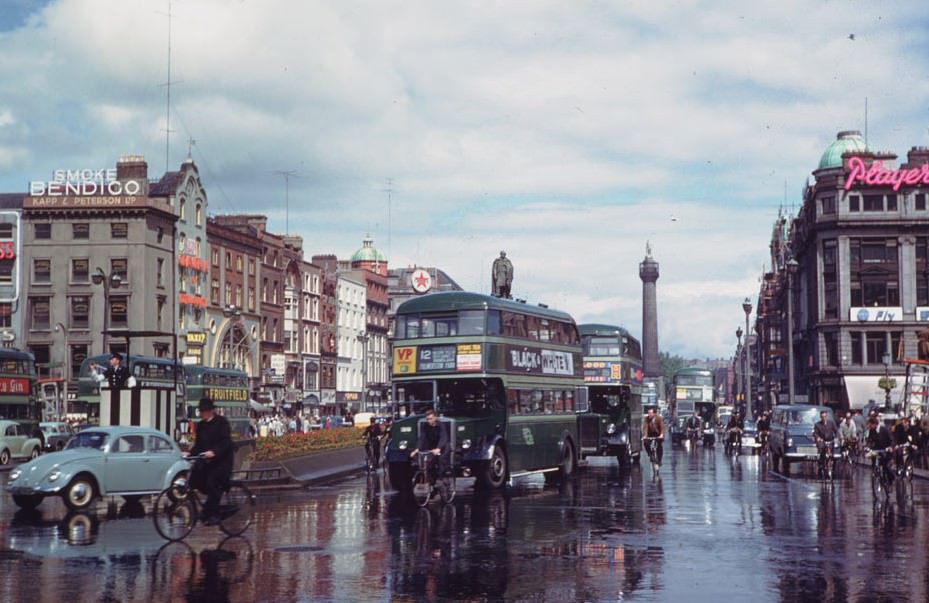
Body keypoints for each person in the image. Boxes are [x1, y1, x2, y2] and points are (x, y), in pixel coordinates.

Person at [188, 397, 234, 526]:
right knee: (194, 480)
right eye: (200, 411)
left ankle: (213, 514)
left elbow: (225, 442)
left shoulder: (222, 423)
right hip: (208, 462)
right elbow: (198, 446)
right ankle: (209, 506)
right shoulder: (201, 426)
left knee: (213, 482)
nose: (201, 414)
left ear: (210, 411)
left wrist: (214, 452)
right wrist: (190, 454)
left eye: (203, 411)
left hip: (222, 462)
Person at [409, 409, 449, 481]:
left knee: (441, 460)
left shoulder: (441, 425)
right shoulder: (425, 426)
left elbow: (443, 437)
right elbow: (422, 438)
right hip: (432, 446)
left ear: (435, 418)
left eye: (430, 419)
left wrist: (438, 448)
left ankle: (442, 479)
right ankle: (432, 480)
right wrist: (416, 450)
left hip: (442, 446)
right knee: (428, 462)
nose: (429, 421)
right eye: (427, 419)